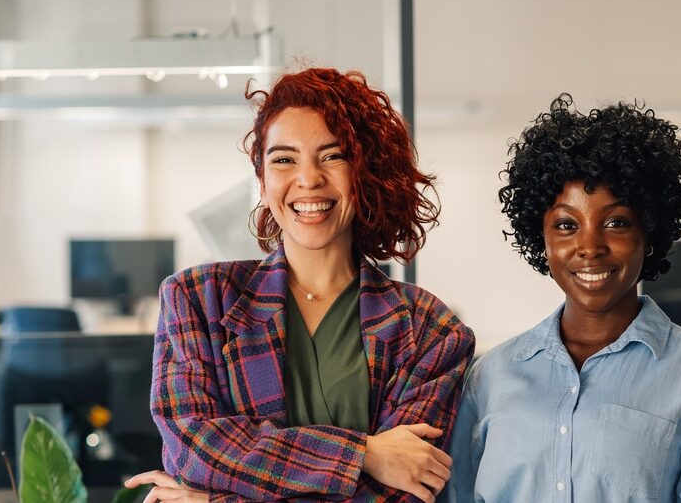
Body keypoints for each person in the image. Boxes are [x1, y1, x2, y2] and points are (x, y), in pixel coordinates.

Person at [124, 68, 475, 503]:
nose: (308, 178)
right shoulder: (199, 299)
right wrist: (362, 453)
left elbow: (401, 494)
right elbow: (194, 452)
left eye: (332, 156)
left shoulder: (432, 331)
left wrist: (214, 500)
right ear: (262, 179)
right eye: (284, 159)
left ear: (365, 173)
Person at [441, 95, 681, 502]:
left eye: (616, 222)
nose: (590, 246)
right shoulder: (491, 378)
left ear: (650, 233)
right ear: (542, 239)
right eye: (567, 224)